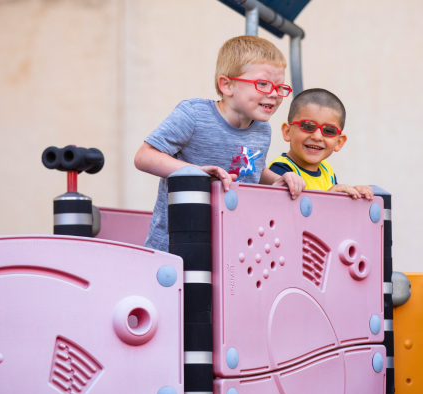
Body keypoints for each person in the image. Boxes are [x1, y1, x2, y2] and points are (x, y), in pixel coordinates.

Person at [134, 36, 305, 251]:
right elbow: (144, 157)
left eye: (280, 87)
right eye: (263, 84)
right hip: (176, 245)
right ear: (227, 85)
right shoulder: (194, 114)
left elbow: (251, 170)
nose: (274, 94)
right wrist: (197, 173)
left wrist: (280, 180)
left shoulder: (262, 130)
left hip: (232, 247)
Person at [269, 88, 374, 200]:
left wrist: (353, 194)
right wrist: (329, 196)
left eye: (329, 130)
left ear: (339, 142)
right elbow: (285, 213)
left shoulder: (326, 170)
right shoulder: (282, 171)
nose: (317, 137)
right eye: (307, 126)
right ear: (287, 132)